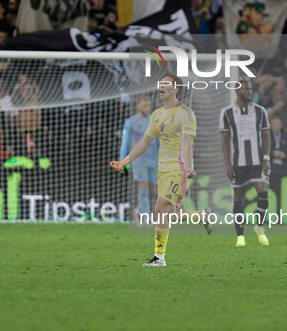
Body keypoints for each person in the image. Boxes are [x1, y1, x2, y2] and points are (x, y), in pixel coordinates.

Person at [110, 72, 212, 267]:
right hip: (162, 170)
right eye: (161, 83)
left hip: (179, 168)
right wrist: (124, 162)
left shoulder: (186, 113)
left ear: (176, 89)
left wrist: (189, 167)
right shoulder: (156, 114)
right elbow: (144, 142)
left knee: (159, 207)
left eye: (166, 83)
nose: (161, 86)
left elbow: (187, 142)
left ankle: (159, 258)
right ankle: (201, 216)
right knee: (169, 212)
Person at [220, 80, 271, 248]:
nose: (249, 91)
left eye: (250, 88)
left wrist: (266, 158)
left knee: (262, 192)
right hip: (237, 162)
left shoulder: (260, 111)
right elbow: (225, 141)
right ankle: (240, 236)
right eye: (245, 88)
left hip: (257, 161)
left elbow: (265, 135)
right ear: (237, 90)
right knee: (238, 197)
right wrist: (228, 164)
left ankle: (259, 227)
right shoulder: (227, 113)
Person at [119, 96, 159, 223]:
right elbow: (125, 143)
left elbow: (160, 142)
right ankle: (147, 218)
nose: (146, 108)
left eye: (148, 106)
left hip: (153, 160)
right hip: (138, 160)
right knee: (143, 185)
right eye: (144, 106)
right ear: (138, 106)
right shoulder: (130, 122)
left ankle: (138, 210)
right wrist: (122, 161)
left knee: (154, 190)